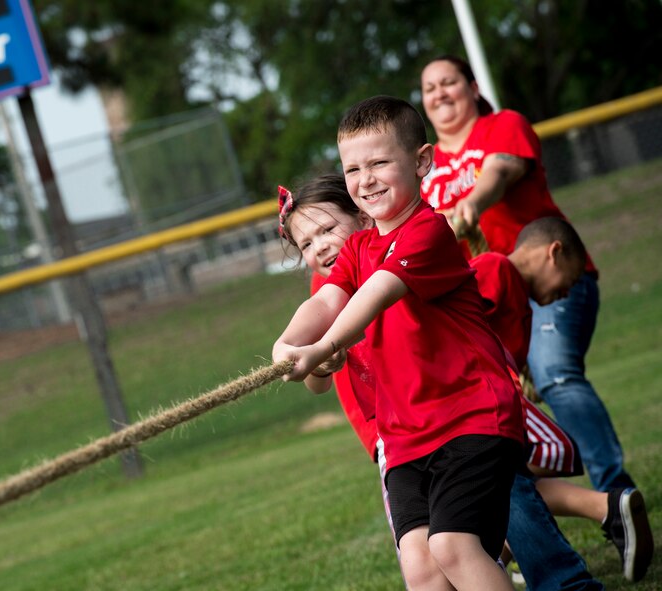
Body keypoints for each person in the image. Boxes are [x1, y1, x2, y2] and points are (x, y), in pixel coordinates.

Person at [278, 173, 605, 590]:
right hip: (397, 438)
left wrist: (323, 345)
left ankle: (566, 580)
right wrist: (306, 358)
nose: (319, 245)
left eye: (327, 230)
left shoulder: (404, 251)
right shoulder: (328, 286)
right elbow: (318, 373)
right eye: (306, 243)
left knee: (483, 519)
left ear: (363, 216)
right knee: (423, 565)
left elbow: (392, 295)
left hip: (460, 415)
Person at [273, 96, 524, 591]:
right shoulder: (360, 247)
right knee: (421, 567)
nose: (365, 179)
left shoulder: (428, 231)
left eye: (380, 162)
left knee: (453, 546)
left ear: (422, 161)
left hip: (470, 417)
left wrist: (323, 350)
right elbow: (327, 303)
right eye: (352, 168)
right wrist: (287, 343)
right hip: (406, 437)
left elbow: (376, 294)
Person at [419, 54, 635, 494]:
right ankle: (522, 526)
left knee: (553, 371)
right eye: (429, 88)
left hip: (548, 282)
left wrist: (471, 206)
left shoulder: (503, 125)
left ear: (474, 87)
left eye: (450, 82)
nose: (440, 93)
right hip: (490, 304)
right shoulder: (425, 168)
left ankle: (617, 493)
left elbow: (501, 171)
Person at [472, 216, 654, 583]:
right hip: (475, 402)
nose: (568, 293)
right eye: (570, 280)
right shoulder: (495, 267)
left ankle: (508, 557)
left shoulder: (524, 307)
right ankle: (600, 511)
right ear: (554, 253)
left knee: (520, 473)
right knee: (513, 476)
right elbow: (458, 321)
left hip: (492, 407)